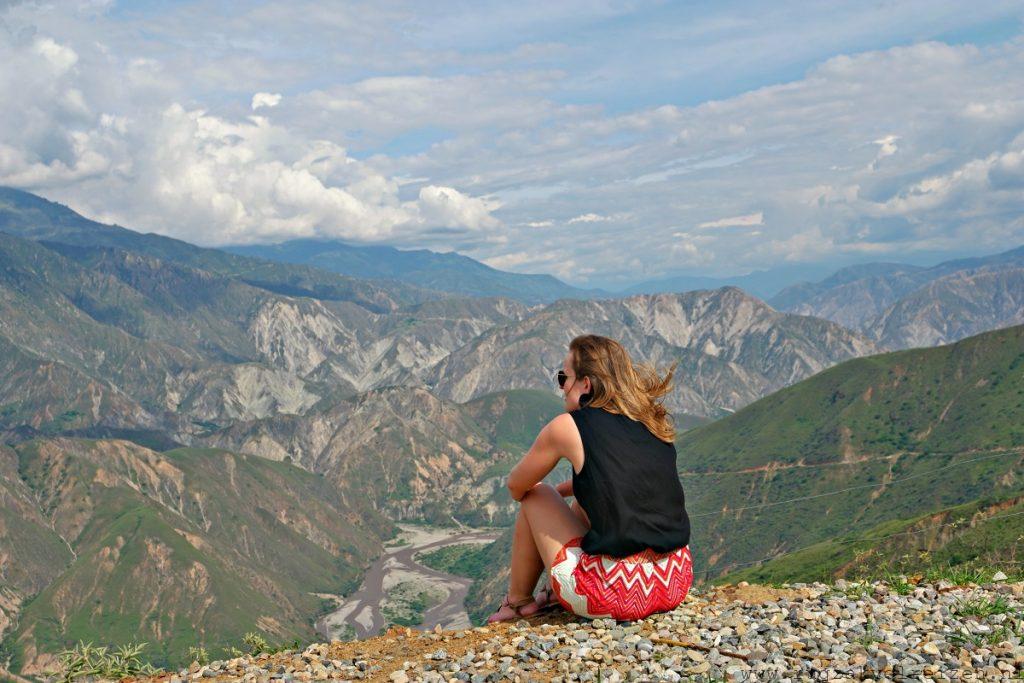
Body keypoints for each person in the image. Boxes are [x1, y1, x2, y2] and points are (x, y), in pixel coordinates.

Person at [486, 334, 693, 623]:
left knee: (537, 493)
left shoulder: (567, 427)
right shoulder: (650, 421)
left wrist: (550, 496)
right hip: (674, 581)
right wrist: (574, 492)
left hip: (617, 594)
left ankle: (519, 602)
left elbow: (516, 486)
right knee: (581, 503)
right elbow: (620, 484)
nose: (561, 388)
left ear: (586, 384)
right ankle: (553, 592)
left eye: (563, 378)